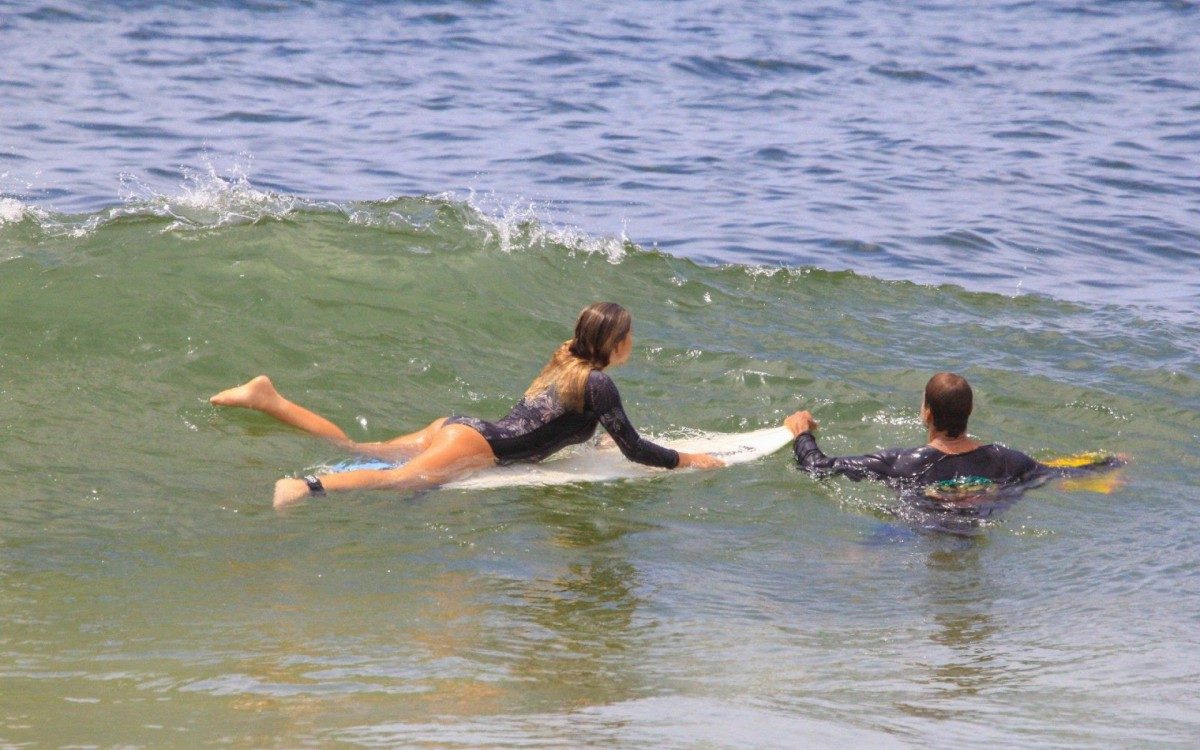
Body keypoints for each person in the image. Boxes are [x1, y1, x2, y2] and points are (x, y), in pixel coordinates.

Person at [211, 302, 725, 507]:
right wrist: (687, 460)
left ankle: (266, 397)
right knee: (396, 479)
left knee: (357, 446)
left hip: (459, 428)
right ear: (616, 345)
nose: (633, 342)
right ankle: (305, 485)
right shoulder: (599, 385)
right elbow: (633, 447)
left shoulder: (563, 368)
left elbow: (541, 426)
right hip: (477, 447)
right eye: (630, 336)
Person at [783, 372, 1118, 494]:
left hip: (921, 527)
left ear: (926, 413)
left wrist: (802, 434)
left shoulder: (901, 463)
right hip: (979, 523)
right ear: (970, 412)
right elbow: (1057, 472)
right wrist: (1110, 463)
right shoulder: (1007, 460)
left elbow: (818, 468)